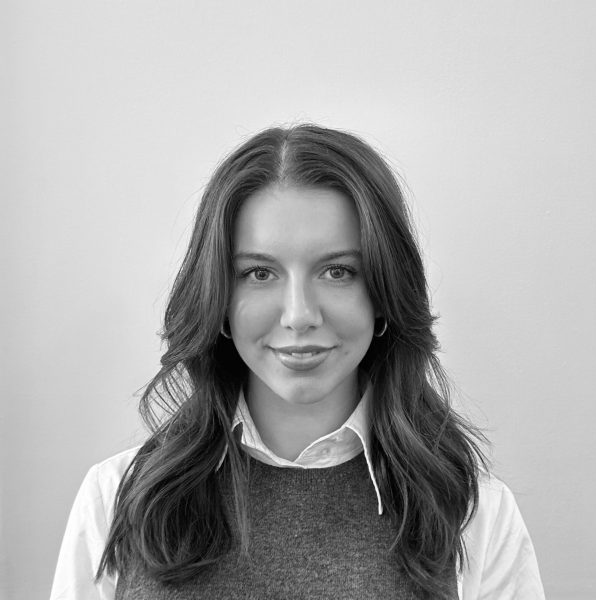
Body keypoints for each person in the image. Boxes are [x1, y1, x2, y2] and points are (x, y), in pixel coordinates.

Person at [50, 124, 545, 599]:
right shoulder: (117, 498)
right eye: (260, 273)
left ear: (384, 295)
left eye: (338, 271)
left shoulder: (473, 512)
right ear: (219, 300)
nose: (300, 315)